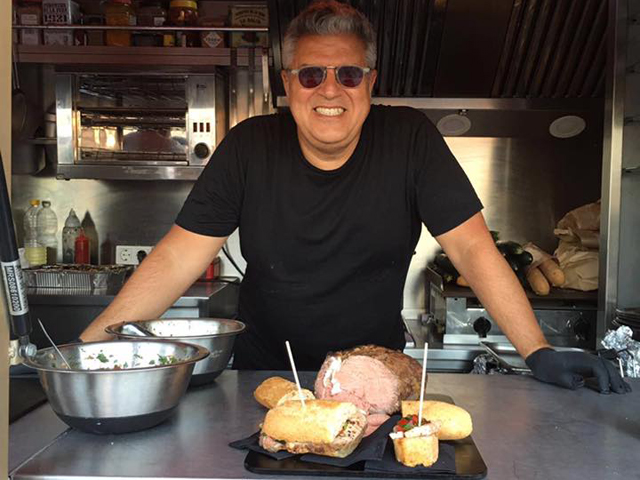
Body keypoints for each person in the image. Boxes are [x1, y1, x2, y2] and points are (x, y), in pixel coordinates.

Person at [81, 1, 629, 394]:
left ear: (370, 82)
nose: (330, 89)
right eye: (311, 74)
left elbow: (472, 248)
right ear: (288, 84)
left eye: (347, 74)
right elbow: (179, 255)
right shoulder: (249, 146)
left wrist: (537, 352)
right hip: (266, 378)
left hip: (376, 379)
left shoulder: (410, 139)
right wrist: (85, 353)